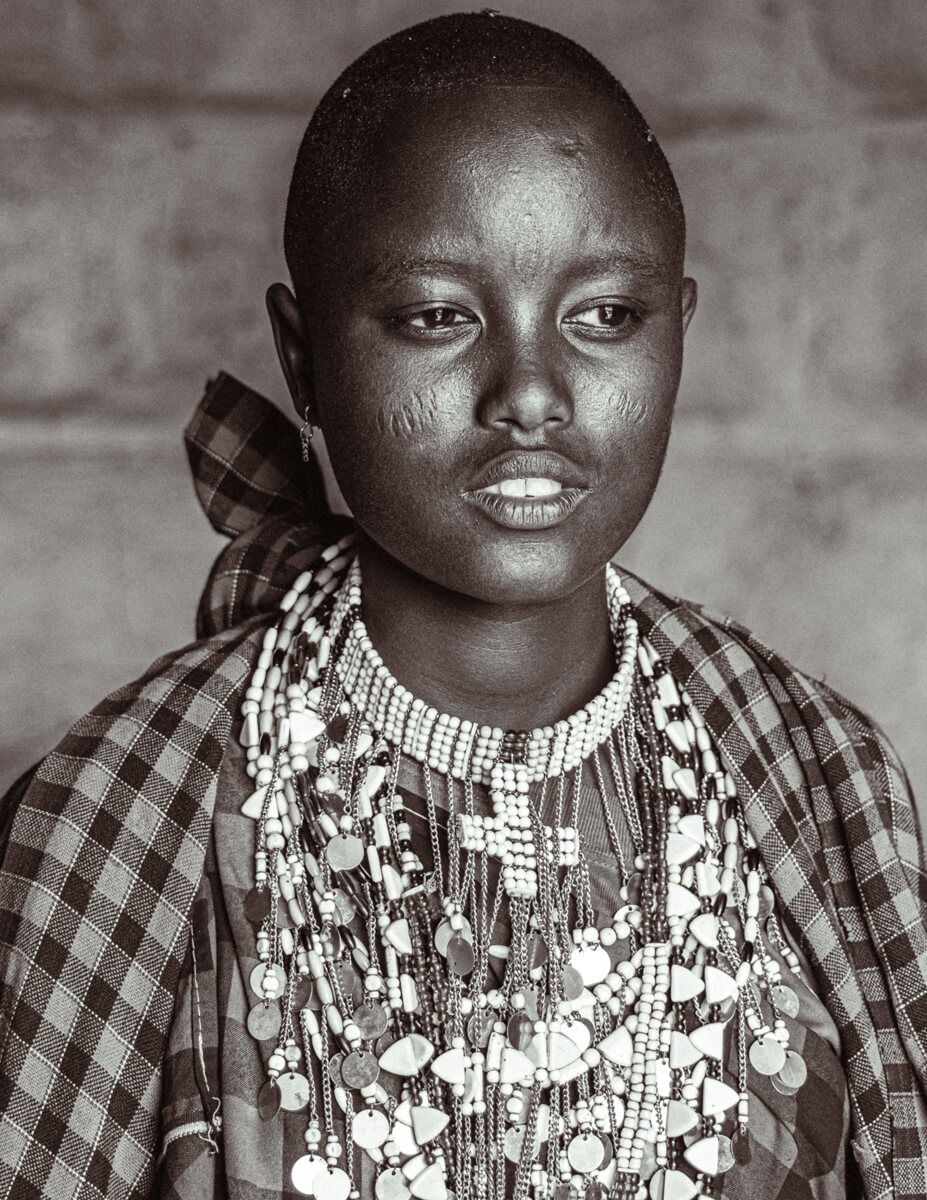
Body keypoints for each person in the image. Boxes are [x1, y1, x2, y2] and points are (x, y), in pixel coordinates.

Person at [1, 12, 925, 1200]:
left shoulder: (817, 777)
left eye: (606, 316)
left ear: (678, 337)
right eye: (439, 316)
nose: (531, 394)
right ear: (305, 360)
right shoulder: (113, 819)